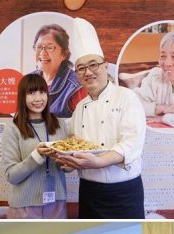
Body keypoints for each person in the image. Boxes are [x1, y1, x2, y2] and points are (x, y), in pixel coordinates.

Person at [53, 17, 147, 219]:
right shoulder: (79, 108)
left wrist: (99, 162)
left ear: (105, 66)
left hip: (124, 192)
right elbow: (78, 145)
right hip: (89, 191)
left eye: (93, 64)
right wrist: (70, 162)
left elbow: (132, 143)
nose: (88, 72)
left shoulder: (127, 97)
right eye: (81, 68)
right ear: (77, 74)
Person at [2, 74, 69, 219]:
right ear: (22, 97)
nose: (38, 98)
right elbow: (11, 176)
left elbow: (65, 166)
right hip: (24, 206)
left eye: (42, 92)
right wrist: (37, 156)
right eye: (31, 93)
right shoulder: (13, 128)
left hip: (57, 202)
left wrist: (69, 163)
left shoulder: (59, 124)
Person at [30, 24, 86, 118]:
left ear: (64, 54)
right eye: (39, 47)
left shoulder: (76, 86)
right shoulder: (28, 80)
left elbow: (83, 125)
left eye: (50, 47)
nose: (42, 53)